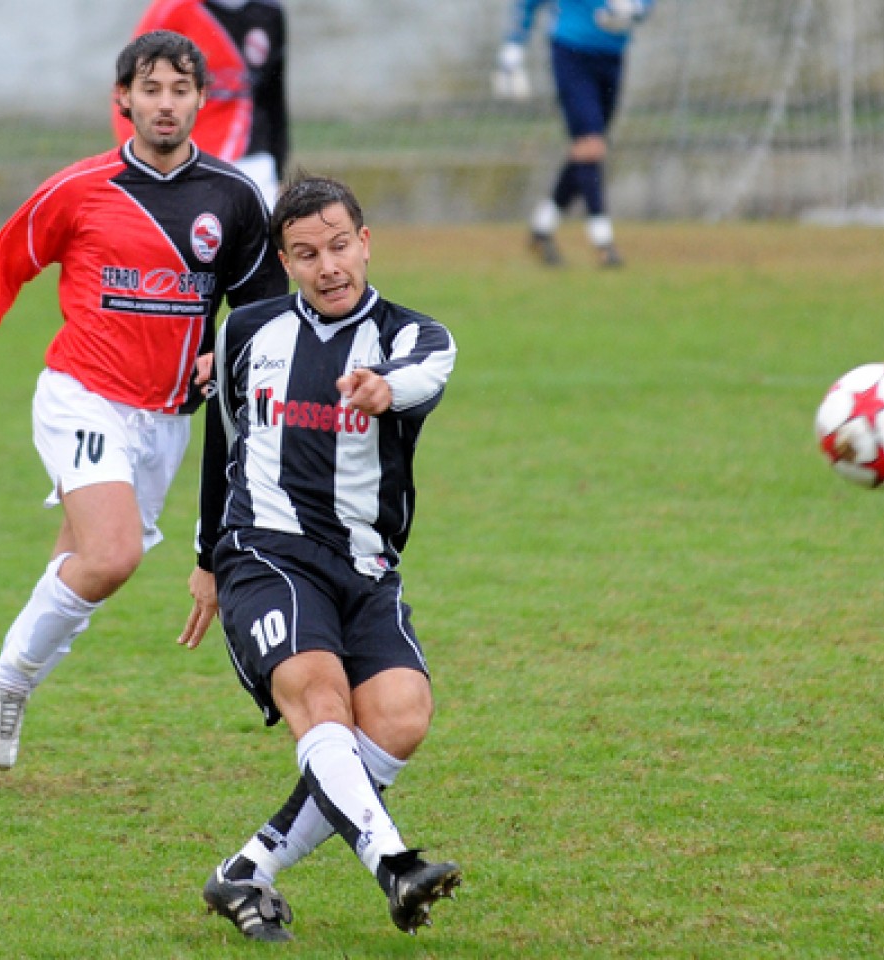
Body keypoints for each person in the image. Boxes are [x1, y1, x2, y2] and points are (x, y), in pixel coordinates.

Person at [0, 30, 290, 795]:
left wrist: (223, 349)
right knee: (114, 554)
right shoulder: (79, 189)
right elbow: (1, 267)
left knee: (78, 573)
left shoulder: (232, 199)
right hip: (81, 395)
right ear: (122, 98)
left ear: (202, 99)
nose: (165, 104)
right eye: (150, 89)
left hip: (165, 424)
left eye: (180, 90)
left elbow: (262, 318)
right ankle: (3, 702)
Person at [178, 174, 461, 942]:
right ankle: (395, 863)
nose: (328, 266)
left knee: (399, 720)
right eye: (306, 254)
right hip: (264, 554)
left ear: (365, 243)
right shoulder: (246, 332)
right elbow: (223, 443)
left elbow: (425, 374)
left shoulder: (412, 336)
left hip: (365, 567)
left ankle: (247, 870)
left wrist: (381, 390)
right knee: (320, 701)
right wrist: (208, 558)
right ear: (284, 260)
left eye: (340, 246)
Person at [494, 0, 653, 268]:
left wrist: (635, 9)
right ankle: (603, 242)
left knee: (587, 150)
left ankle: (541, 231)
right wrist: (513, 47)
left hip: (613, 56)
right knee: (591, 145)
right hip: (572, 52)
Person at [115, 0, 288, 206]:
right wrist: (143, 161)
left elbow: (272, 97)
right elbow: (135, 89)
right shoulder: (172, 9)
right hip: (187, 160)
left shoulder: (269, 10)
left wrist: (278, 165)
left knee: (261, 232)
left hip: (252, 159)